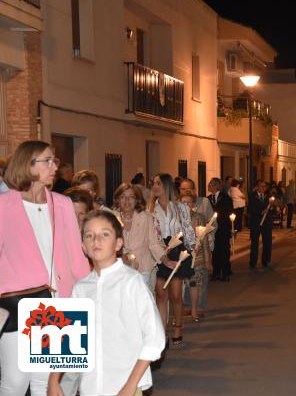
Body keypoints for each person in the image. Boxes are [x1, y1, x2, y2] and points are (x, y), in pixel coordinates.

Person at [0, 140, 90, 396]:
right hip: (17, 305)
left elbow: (76, 257)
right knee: (15, 383)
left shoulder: (62, 203)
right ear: (28, 166)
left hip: (58, 303)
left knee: (47, 385)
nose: (54, 167)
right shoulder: (3, 205)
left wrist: (91, 294)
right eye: (47, 161)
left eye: (55, 161)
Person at [48, 210, 165, 396]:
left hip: (126, 385)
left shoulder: (131, 282)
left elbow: (155, 337)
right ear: (83, 247)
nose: (96, 240)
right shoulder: (81, 288)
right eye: (89, 235)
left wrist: (130, 385)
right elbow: (67, 338)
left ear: (118, 243)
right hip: (90, 386)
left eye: (105, 234)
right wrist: (53, 381)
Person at [149, 174, 196, 346]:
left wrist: (192, 245)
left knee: (176, 294)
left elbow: (187, 227)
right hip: (159, 250)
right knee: (161, 295)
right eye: (153, 184)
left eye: (158, 183)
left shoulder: (180, 207)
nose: (154, 187)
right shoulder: (150, 209)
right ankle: (163, 333)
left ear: (167, 186)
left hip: (176, 250)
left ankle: (178, 327)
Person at [114, 183, 172, 293]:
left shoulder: (146, 217)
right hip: (119, 268)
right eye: (123, 197)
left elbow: (153, 243)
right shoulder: (111, 218)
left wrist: (166, 260)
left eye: (131, 197)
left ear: (136, 200)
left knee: (142, 305)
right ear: (117, 199)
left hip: (143, 268)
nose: (127, 201)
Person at [179, 189, 212, 321]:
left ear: (193, 204)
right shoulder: (176, 219)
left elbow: (204, 240)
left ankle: (195, 310)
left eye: (189, 203)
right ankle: (182, 309)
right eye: (183, 203)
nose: (186, 205)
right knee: (182, 286)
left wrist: (208, 260)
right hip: (182, 256)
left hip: (197, 256)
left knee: (195, 283)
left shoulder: (199, 217)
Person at [208, 177, 234, 281]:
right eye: (209, 184)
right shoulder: (208, 199)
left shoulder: (225, 198)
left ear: (217, 185)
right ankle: (216, 272)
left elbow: (230, 213)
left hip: (223, 228)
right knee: (215, 251)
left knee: (224, 251)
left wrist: (231, 228)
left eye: (211, 184)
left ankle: (226, 272)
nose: (209, 185)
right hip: (212, 230)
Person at [248, 180, 274, 269]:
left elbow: (272, 209)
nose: (263, 188)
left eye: (264, 186)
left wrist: (272, 208)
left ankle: (265, 260)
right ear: (257, 187)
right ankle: (253, 261)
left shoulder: (269, 197)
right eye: (261, 186)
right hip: (256, 222)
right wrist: (260, 212)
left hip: (267, 223)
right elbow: (250, 209)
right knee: (254, 242)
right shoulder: (252, 196)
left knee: (267, 242)